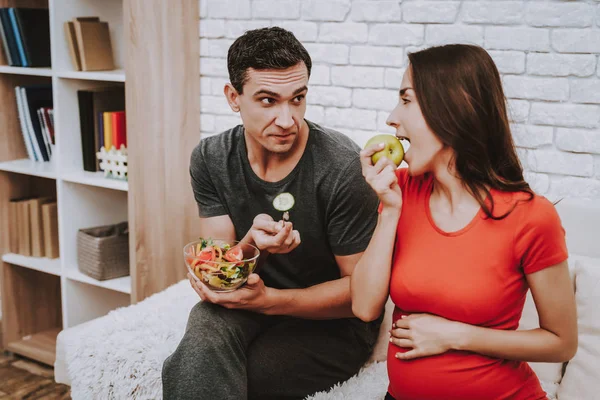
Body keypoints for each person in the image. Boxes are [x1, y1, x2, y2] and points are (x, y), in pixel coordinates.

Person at [162, 27, 381, 400]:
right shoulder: (211, 159)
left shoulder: (343, 168)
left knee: (243, 376)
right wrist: (251, 244)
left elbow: (360, 297)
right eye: (268, 100)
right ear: (234, 97)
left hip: (330, 324)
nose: (286, 119)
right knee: (204, 329)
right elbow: (221, 270)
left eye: (297, 99)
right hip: (252, 303)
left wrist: (270, 301)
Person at [351, 44, 578, 400]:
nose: (392, 118)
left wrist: (454, 335)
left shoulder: (531, 216)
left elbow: (561, 344)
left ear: (454, 108)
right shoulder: (402, 192)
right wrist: (390, 210)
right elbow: (364, 307)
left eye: (406, 100)